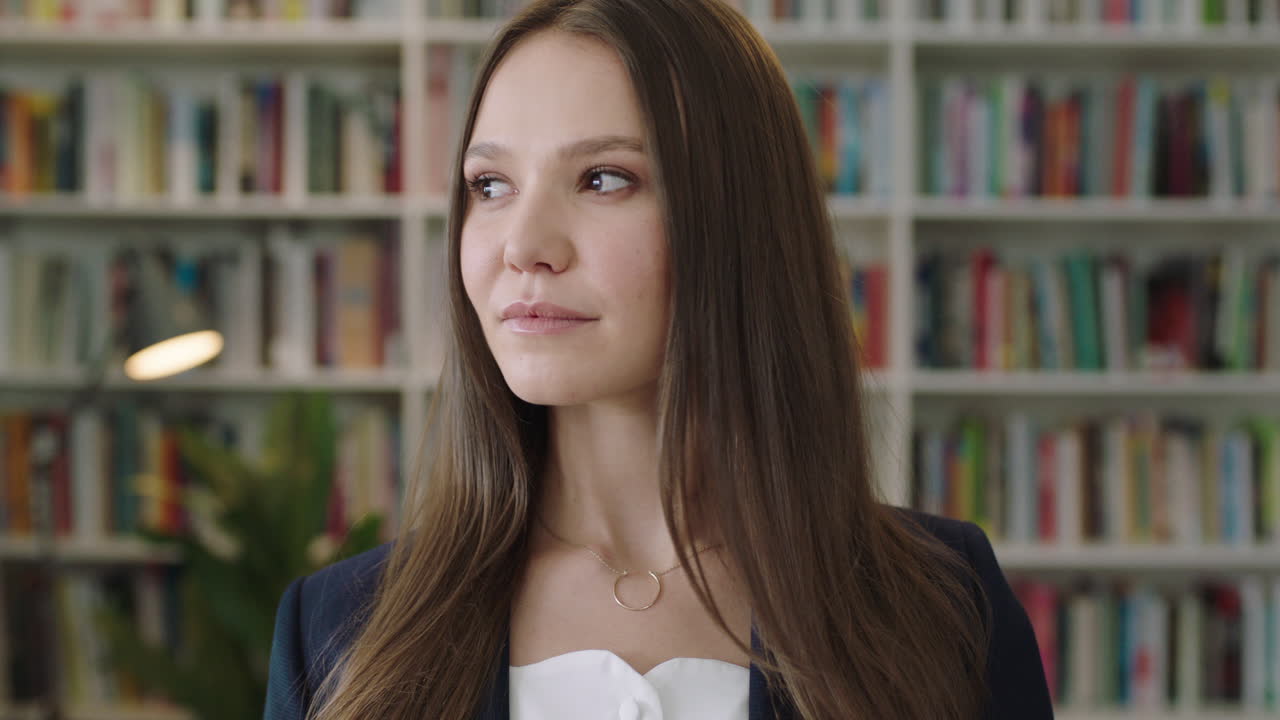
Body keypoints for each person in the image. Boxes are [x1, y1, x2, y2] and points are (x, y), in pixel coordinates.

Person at [264, 1, 1054, 718]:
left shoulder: (945, 607)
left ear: (739, 222)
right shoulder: (338, 632)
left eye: (604, 179)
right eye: (490, 184)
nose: (524, 245)